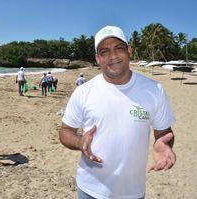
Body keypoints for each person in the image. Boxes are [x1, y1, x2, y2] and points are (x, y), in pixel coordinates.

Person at [59, 26, 176, 199]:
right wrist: (79, 142)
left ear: (129, 50)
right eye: (104, 51)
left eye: (118, 48)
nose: (112, 56)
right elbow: (65, 131)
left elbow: (164, 133)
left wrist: (165, 144)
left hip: (133, 192)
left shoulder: (154, 90)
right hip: (89, 189)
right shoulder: (84, 91)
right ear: (98, 58)